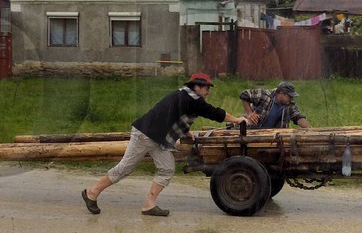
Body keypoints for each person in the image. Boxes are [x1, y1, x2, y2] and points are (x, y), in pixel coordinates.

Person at [81, 72, 253, 217]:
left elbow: (173, 115)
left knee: (167, 168)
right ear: (197, 87)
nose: (208, 91)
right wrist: (238, 120)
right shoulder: (191, 99)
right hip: (145, 135)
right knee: (125, 168)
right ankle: (92, 193)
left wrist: (184, 132)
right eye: (207, 88)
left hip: (157, 138)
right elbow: (213, 112)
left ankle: (149, 205)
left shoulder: (183, 96)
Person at [239, 81, 312, 129]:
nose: (291, 98)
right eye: (289, 96)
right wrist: (249, 113)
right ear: (281, 93)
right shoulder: (265, 95)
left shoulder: (290, 104)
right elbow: (244, 95)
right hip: (253, 130)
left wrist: (311, 130)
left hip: (273, 135)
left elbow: (297, 117)